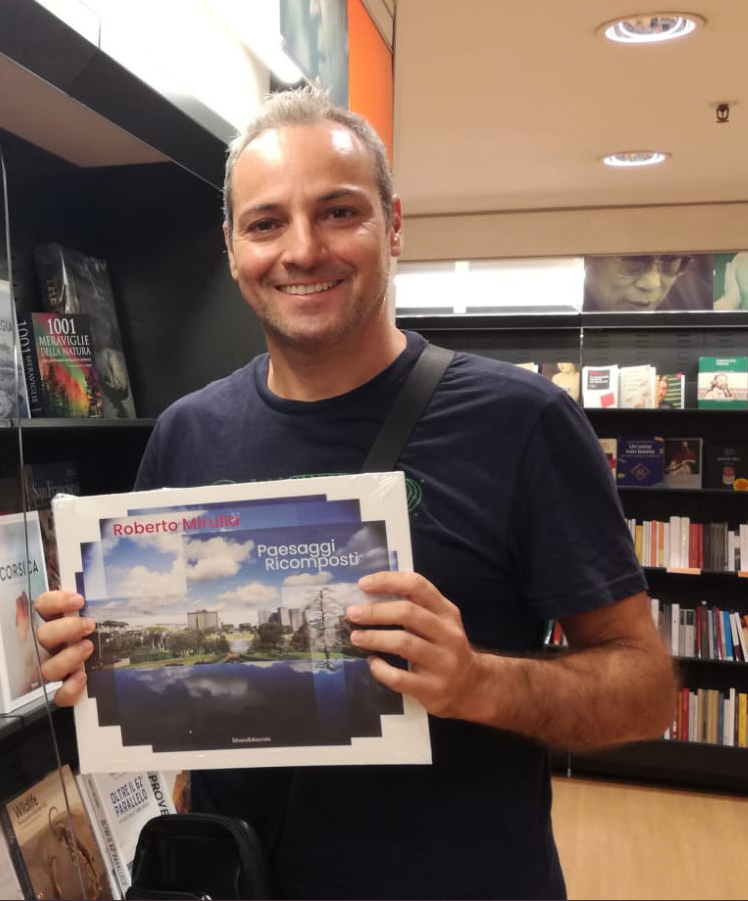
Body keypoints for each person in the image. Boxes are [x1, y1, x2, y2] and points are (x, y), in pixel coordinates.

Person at [34, 85, 677, 899]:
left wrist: (479, 679)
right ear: (232, 248)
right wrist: (97, 655)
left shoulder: (523, 421)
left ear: (394, 224)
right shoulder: (187, 434)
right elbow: (183, 703)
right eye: (266, 222)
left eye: (339, 212)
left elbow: (644, 688)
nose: (302, 250)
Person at [583, 253, 706, 311]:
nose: (652, 284)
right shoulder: (567, 308)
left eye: (669, 263)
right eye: (633, 262)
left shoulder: (700, 301)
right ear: (588, 261)